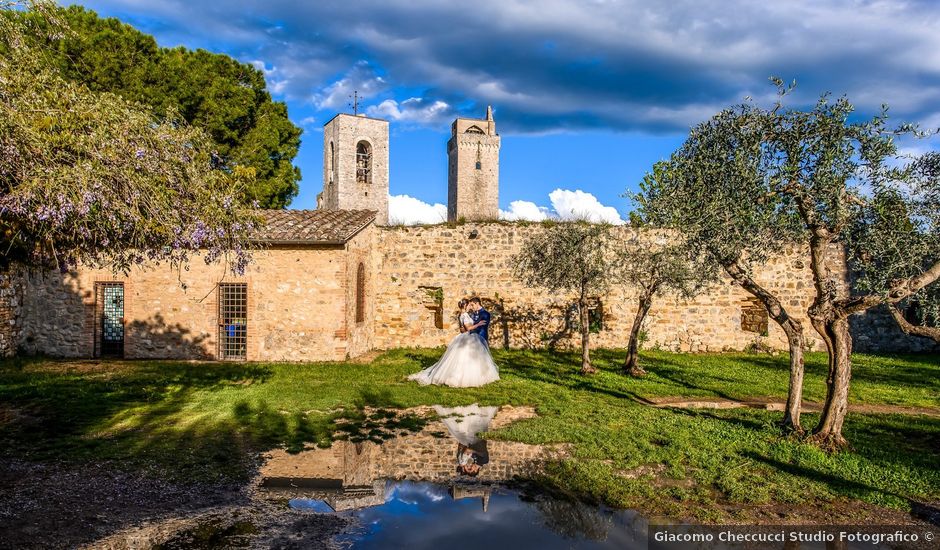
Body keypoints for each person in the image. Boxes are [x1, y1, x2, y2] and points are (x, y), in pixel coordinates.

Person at [408, 299, 499, 387]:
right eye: (469, 305)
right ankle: (463, 378)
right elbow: (468, 328)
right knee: (466, 358)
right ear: (464, 306)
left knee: (465, 358)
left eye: (471, 305)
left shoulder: (462, 315)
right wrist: (478, 324)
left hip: (466, 336)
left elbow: (462, 328)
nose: (470, 307)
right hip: (468, 337)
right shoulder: (465, 315)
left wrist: (464, 328)